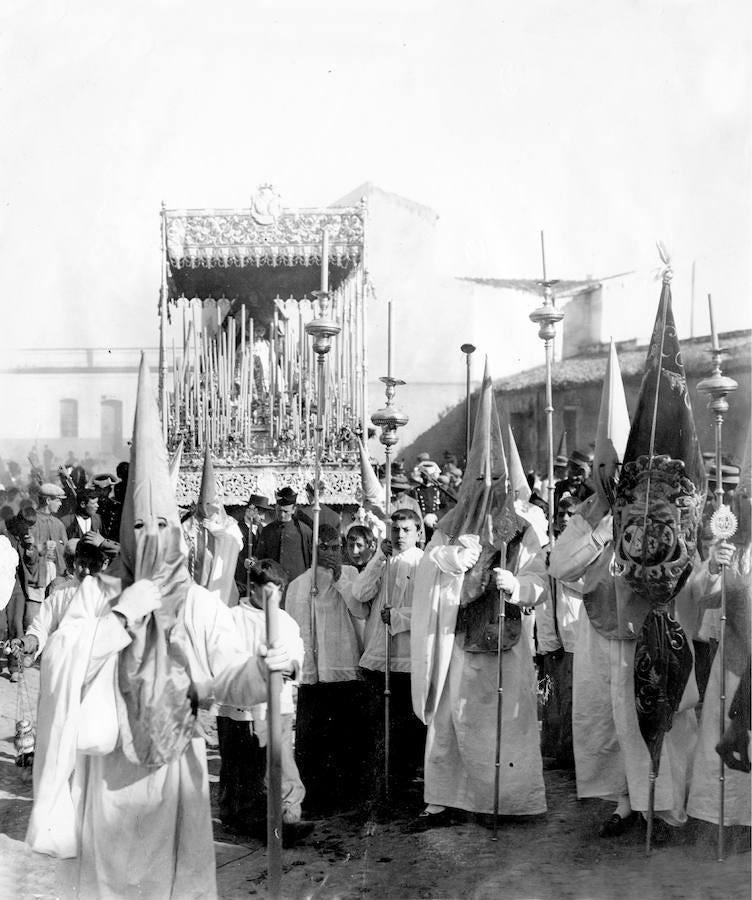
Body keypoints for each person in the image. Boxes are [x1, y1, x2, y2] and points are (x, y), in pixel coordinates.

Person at [25, 355, 294, 900]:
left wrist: (265, 666)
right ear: (125, 530)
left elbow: (227, 676)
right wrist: (124, 615)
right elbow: (60, 659)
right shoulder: (97, 593)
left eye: (164, 524)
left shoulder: (197, 602)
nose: (152, 535)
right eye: (140, 525)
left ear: (178, 531)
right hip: (111, 772)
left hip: (176, 769)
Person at [409, 363, 547, 830]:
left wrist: (518, 586)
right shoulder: (448, 525)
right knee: (452, 721)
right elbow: (427, 569)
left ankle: (508, 803)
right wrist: (448, 561)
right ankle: (446, 800)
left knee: (503, 723)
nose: (487, 491)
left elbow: (540, 580)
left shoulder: (522, 526)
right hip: (460, 636)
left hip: (505, 639)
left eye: (496, 481)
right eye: (480, 480)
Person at [216, 558, 312, 843]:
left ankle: (289, 814)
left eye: (280, 591)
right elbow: (224, 656)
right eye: (269, 590)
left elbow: (297, 655)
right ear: (252, 587)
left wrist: (290, 667)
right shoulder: (232, 617)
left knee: (280, 760)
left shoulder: (286, 621)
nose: (275, 597)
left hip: (276, 704)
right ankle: (237, 815)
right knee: (240, 764)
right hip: (240, 706)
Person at [285, 523, 366, 816]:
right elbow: (296, 628)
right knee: (313, 739)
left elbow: (359, 610)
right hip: (314, 672)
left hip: (343, 665)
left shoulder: (353, 574)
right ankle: (315, 798)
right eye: (324, 547)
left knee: (344, 737)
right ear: (314, 549)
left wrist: (340, 578)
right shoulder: (299, 584)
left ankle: (347, 798)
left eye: (335, 547)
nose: (331, 553)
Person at [352, 505, 425, 810]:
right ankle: (381, 785)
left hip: (407, 654)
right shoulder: (383, 560)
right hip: (380, 655)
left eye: (406, 530)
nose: (399, 536)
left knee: (406, 725)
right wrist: (378, 559)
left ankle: (406, 784)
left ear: (418, 533)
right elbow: (359, 593)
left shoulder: (424, 564)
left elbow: (428, 610)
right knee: (377, 726)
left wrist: (398, 616)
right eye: (395, 530)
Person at [537, 494, 581, 769]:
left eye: (570, 514)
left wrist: (561, 567)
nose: (564, 519)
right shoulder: (546, 550)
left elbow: (586, 584)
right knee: (553, 693)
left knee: (574, 693)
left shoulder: (585, 551)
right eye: (560, 515)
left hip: (576, 627)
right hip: (551, 628)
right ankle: (554, 750)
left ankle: (574, 753)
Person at [256, 486, 313, 587]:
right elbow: (260, 559)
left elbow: (310, 561)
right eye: (279, 510)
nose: (282, 515)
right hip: (273, 586)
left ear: (293, 509)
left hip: (297, 585)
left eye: (285, 511)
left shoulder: (304, 531)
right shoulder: (267, 531)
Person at [234, 493, 273, 589]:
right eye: (261, 513)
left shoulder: (262, 530)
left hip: (257, 583)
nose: (263, 517)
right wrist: (254, 565)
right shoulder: (237, 530)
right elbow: (239, 560)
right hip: (241, 582)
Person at [31, 482, 68, 579]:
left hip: (57, 574)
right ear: (48, 500)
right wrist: (42, 547)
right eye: (58, 500)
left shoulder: (59, 524)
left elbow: (66, 550)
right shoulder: (31, 522)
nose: (60, 504)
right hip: (37, 575)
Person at [553, 449, 594, 514]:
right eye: (573, 473)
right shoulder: (559, 487)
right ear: (568, 469)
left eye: (579, 474)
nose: (574, 477)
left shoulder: (588, 490)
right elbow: (555, 509)